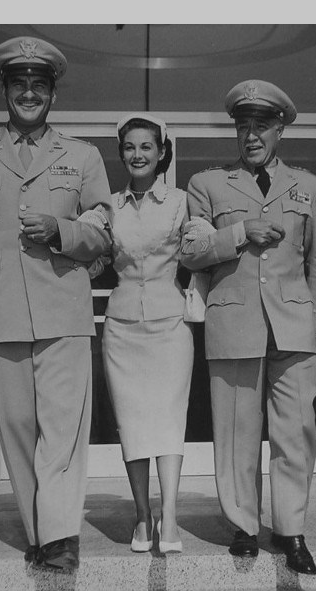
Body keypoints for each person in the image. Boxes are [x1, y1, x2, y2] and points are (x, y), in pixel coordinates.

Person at [0, 36, 113, 571]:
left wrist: (61, 230)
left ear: (53, 94)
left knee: (62, 430)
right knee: (16, 428)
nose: (30, 93)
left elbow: (103, 235)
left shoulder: (82, 156)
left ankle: (60, 539)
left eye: (40, 84)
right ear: (6, 91)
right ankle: (41, 535)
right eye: (20, 84)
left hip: (64, 309)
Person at [181, 80, 316, 574]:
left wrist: (312, 322)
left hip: (292, 326)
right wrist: (240, 231)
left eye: (261, 126)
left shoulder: (309, 187)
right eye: (243, 126)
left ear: (280, 130)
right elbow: (191, 251)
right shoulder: (207, 185)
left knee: (296, 430)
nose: (251, 136)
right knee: (235, 431)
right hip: (233, 322)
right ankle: (244, 526)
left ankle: (290, 529)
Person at [101, 113, 194, 553]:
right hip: (121, 327)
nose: (137, 155)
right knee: (133, 422)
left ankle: (169, 517)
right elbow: (91, 253)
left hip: (170, 324)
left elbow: (200, 246)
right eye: (129, 147)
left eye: (146, 147)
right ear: (121, 154)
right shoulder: (107, 207)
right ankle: (142, 517)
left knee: (170, 419)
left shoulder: (180, 202)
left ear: (161, 153)